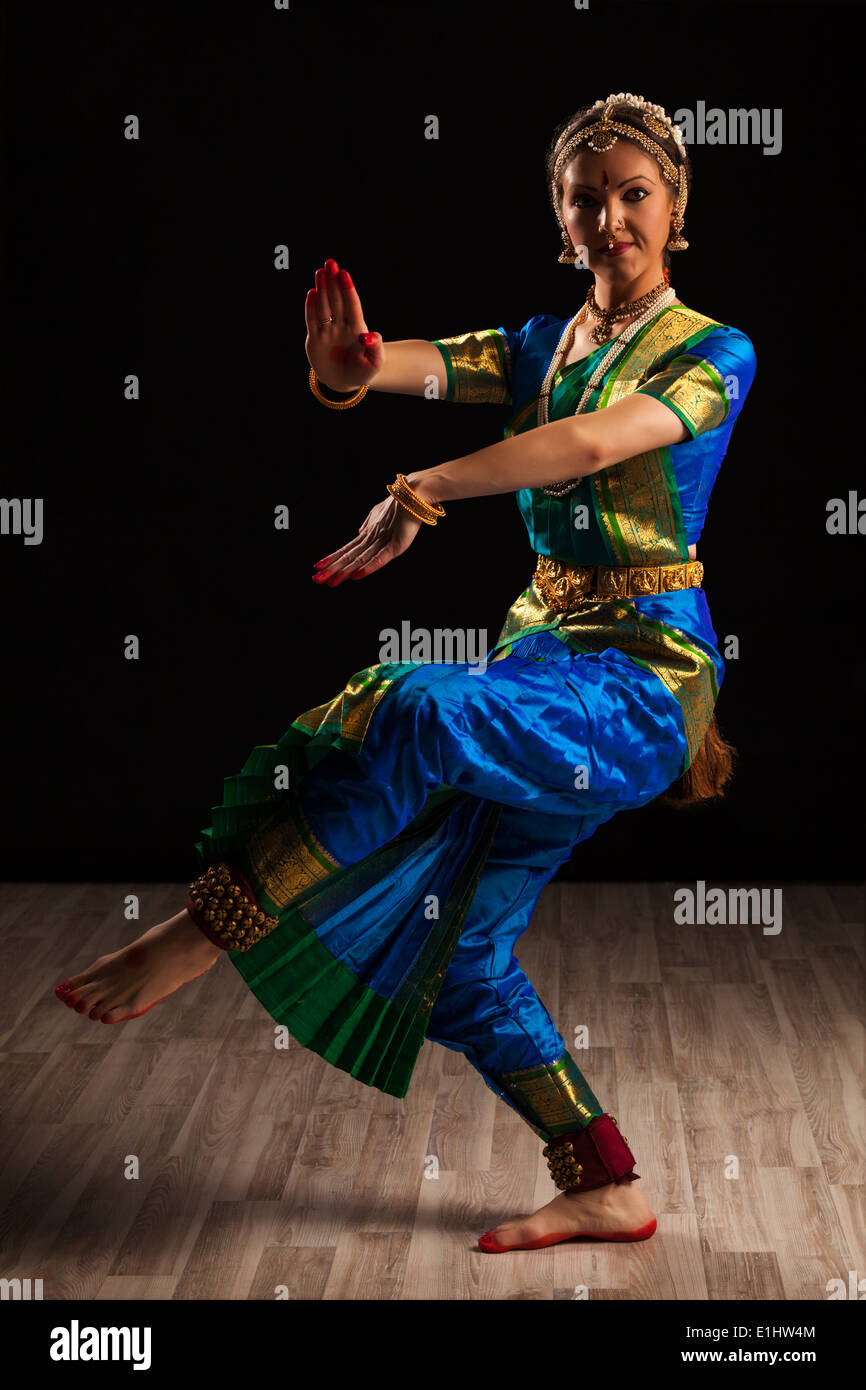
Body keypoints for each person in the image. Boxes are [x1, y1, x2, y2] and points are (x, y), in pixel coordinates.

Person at [55, 93, 756, 1254]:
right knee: (464, 958)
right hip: (543, 670)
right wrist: (352, 370)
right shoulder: (541, 345)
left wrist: (421, 487)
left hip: (640, 685)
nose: (610, 215)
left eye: (634, 193)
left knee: (410, 703)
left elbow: (587, 444)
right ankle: (602, 1182)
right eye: (586, 197)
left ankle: (204, 928)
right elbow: (427, 365)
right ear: (560, 220)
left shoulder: (712, 352)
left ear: (675, 210)